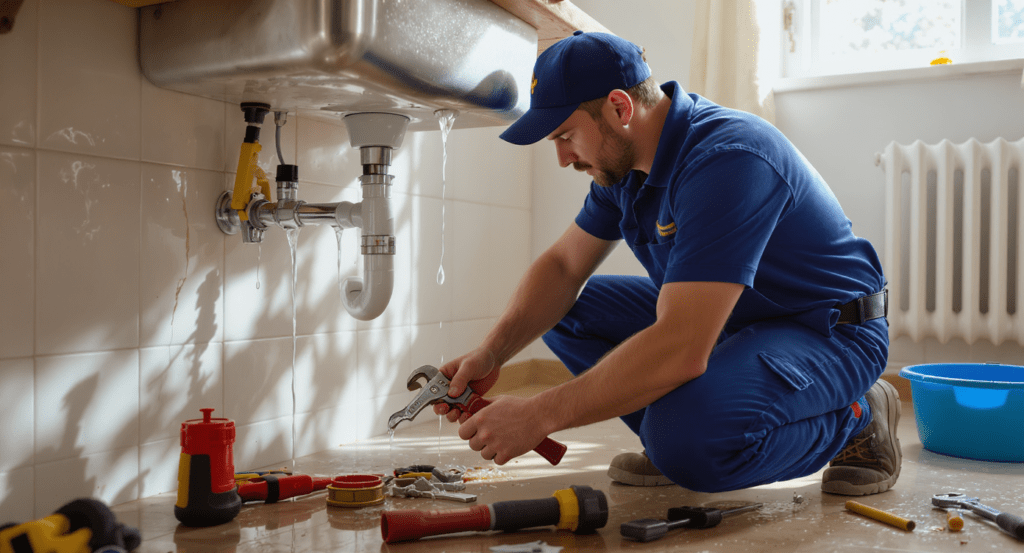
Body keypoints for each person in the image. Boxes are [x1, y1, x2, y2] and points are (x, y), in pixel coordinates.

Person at [434, 30, 899, 496]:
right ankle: (673, 434)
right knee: (569, 311)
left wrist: (539, 414)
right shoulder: (624, 170)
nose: (561, 158)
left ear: (620, 108)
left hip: (829, 330)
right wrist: (493, 352)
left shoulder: (727, 159)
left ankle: (856, 416)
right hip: (736, 320)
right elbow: (562, 268)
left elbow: (681, 345)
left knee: (691, 447)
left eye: (566, 136)